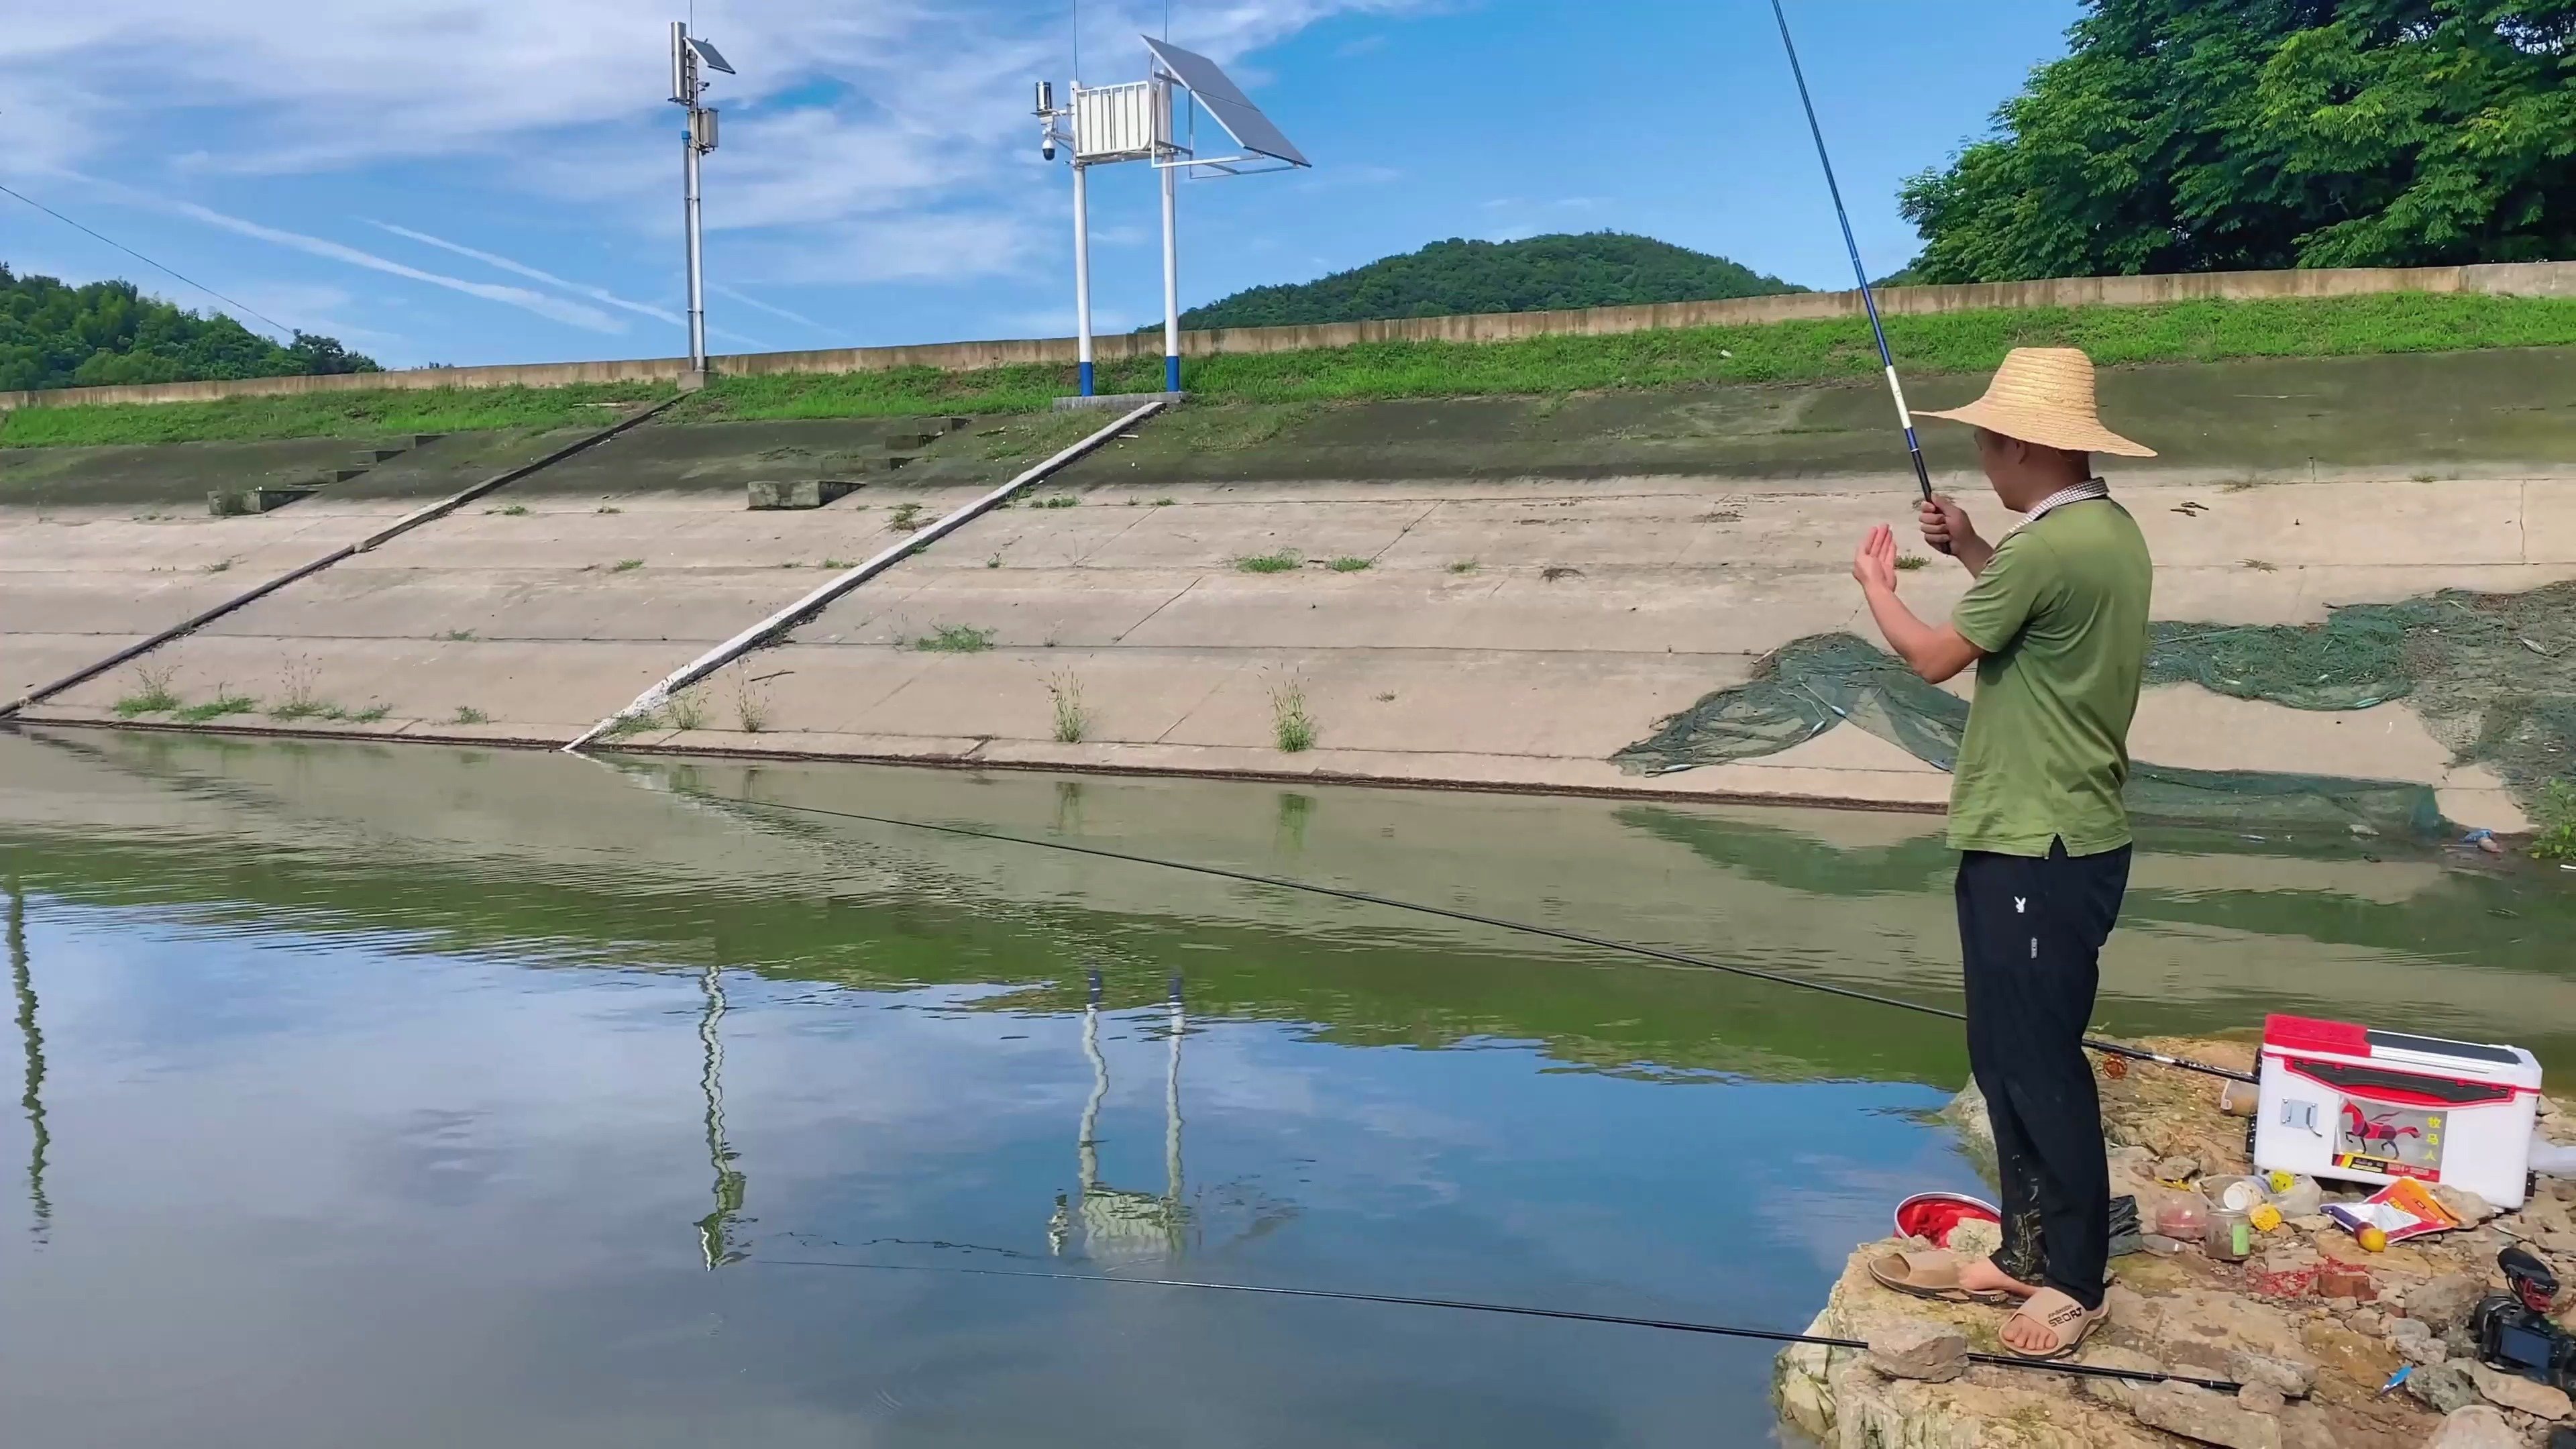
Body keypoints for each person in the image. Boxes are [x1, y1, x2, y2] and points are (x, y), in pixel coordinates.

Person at [1851, 347, 2155, 1361]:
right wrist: (1977, 547)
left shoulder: (2046, 550)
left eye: (1985, 443)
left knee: (2038, 1063)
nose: (1980, 460)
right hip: (2052, 836)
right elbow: (2038, 614)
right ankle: (2028, 1248)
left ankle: (2076, 1281)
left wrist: (1878, 588)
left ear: (2022, 444)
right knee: (2003, 1057)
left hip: (2040, 840)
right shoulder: (2104, 534)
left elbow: (1935, 658)